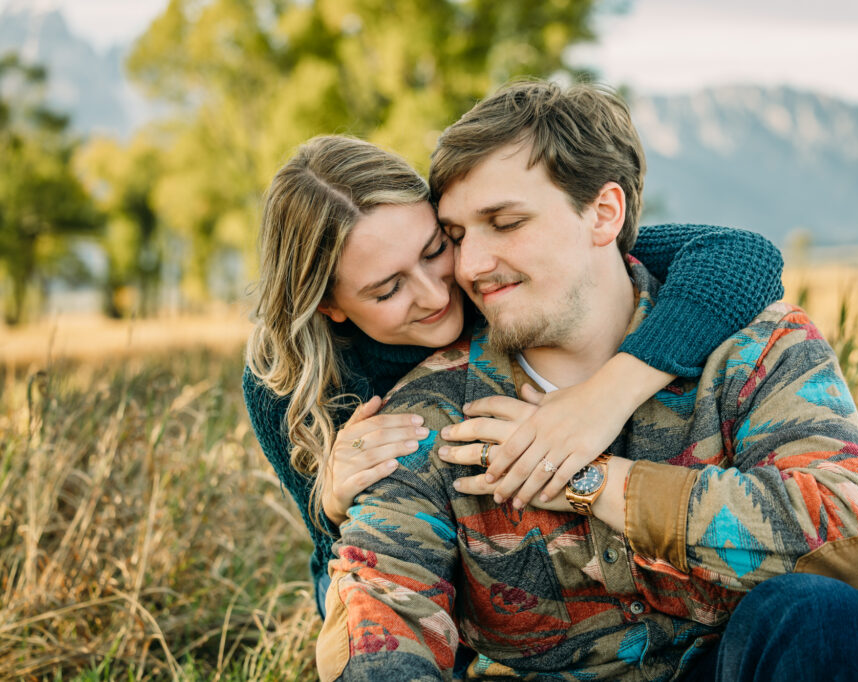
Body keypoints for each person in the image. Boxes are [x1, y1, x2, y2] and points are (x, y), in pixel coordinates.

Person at [317, 81, 858, 681]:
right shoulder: (427, 410)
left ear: (603, 213)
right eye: (457, 236)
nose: (468, 267)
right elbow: (384, 607)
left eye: (506, 222)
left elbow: (844, 536)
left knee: (821, 615)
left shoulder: (753, 348)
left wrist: (588, 480)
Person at [243, 134, 785, 622]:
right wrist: (333, 509)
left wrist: (606, 397)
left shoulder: (497, 285)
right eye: (387, 291)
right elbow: (342, 578)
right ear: (328, 307)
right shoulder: (286, 386)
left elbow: (741, 255)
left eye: (436, 249)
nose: (436, 295)